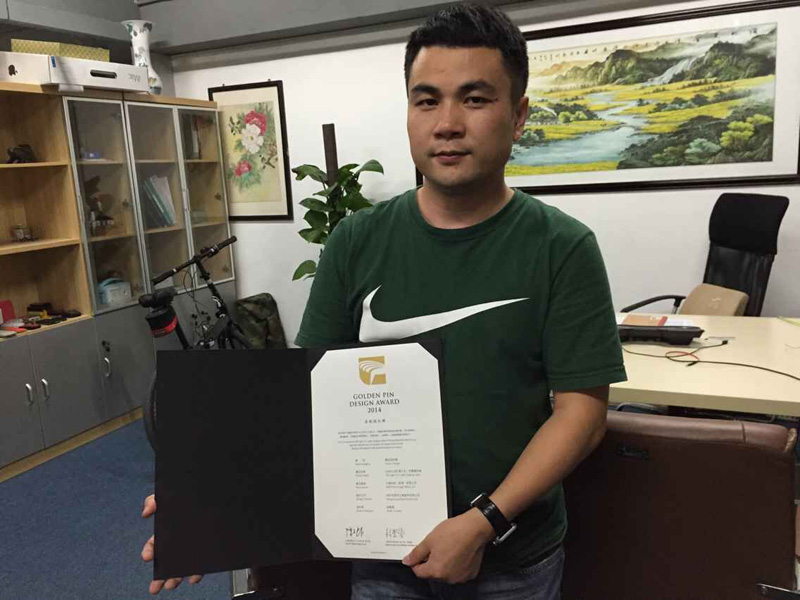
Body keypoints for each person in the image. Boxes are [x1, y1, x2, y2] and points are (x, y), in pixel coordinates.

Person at [141, 3, 626, 598]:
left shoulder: (562, 247)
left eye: (475, 99)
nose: (447, 124)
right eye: (427, 101)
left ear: (518, 115)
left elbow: (582, 415)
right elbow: (304, 399)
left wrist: (483, 522)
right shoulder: (356, 241)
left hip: (512, 563)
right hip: (383, 557)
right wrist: (211, 496)